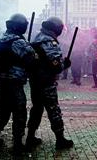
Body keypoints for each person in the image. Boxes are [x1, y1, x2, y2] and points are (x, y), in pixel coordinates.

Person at [0, 14, 38, 154]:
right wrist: (31, 49)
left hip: (2, 80)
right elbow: (32, 59)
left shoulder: (3, 38)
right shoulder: (18, 42)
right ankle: (17, 145)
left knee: (4, 109)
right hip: (14, 82)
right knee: (19, 112)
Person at [26, 17, 74, 150]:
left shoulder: (38, 37)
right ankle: (60, 140)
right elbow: (56, 66)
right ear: (56, 28)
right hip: (46, 81)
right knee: (53, 110)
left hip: (35, 81)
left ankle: (30, 137)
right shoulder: (49, 41)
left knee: (36, 109)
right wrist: (65, 64)